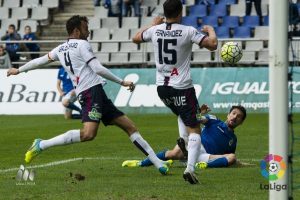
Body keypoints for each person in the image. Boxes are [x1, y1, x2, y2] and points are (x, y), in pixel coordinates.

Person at [7, 15, 169, 175]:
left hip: (95, 92)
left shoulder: (60, 48)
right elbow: (97, 68)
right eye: (86, 28)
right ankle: (41, 144)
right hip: (90, 93)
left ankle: (157, 162)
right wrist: (122, 82)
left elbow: (40, 60)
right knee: (88, 134)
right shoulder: (82, 44)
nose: (89, 32)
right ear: (77, 31)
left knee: (130, 127)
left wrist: (19, 70)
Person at [132, 0, 217, 184]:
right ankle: (190, 168)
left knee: (183, 114)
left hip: (162, 89)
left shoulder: (155, 30)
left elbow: (135, 38)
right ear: (180, 13)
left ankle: (183, 142)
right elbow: (212, 45)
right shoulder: (187, 30)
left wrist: (153, 25)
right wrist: (210, 30)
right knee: (195, 129)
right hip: (182, 87)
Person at [122, 105, 247, 169]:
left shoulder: (233, 140)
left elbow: (227, 158)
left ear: (241, 122)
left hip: (205, 157)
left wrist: (244, 163)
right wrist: (200, 112)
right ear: (228, 114)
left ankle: (198, 162)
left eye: (239, 116)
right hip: (196, 145)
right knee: (175, 152)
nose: (235, 117)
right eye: (233, 113)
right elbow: (198, 119)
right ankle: (141, 163)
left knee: (232, 157)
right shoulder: (214, 120)